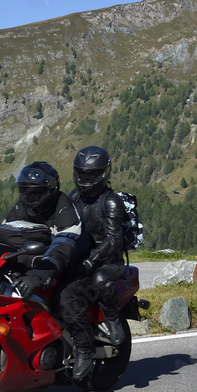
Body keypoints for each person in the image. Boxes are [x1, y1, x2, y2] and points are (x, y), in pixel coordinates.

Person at [3, 162, 93, 380]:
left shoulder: (64, 208)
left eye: (36, 192)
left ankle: (85, 349)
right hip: (40, 266)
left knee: (65, 299)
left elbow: (62, 246)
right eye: (25, 191)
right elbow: (4, 235)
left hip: (73, 267)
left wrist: (38, 276)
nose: (29, 197)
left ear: (51, 189)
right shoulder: (20, 208)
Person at [65, 145, 128, 357]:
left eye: (91, 173)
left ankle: (112, 321)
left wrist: (93, 258)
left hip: (109, 261)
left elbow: (114, 240)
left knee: (100, 279)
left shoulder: (111, 201)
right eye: (82, 173)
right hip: (82, 256)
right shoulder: (74, 197)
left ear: (103, 173)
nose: (85, 177)